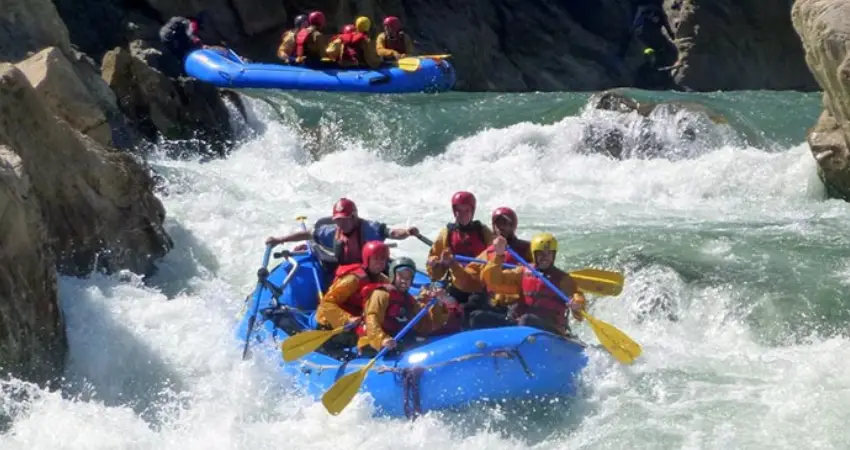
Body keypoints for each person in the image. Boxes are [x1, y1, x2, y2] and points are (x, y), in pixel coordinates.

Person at [265, 198, 418, 277]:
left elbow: (392, 233)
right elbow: (308, 234)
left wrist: (407, 232)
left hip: (370, 271)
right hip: (347, 274)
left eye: (344, 219)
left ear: (354, 217)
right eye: (337, 220)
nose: (340, 223)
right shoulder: (332, 231)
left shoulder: (369, 228)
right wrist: (280, 239)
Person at [472, 233, 586, 336]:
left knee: (527, 320)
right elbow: (493, 280)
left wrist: (577, 305)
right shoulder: (522, 272)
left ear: (554, 255)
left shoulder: (563, 279)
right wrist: (499, 256)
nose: (544, 257)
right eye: (540, 253)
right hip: (520, 325)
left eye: (548, 253)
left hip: (551, 331)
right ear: (534, 254)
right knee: (477, 317)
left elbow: (579, 304)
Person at [425, 191, 493, 333]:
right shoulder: (446, 234)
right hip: (456, 285)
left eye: (466, 210)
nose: (462, 215)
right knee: (436, 306)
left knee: (471, 310)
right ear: (453, 211)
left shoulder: (483, 232)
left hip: (478, 285)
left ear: (472, 211)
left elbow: (494, 256)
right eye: (458, 210)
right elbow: (434, 271)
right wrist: (436, 264)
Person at [357, 257, 453, 355]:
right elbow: (372, 318)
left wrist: (439, 304)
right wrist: (382, 340)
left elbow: (426, 326)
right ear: (393, 276)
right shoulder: (381, 294)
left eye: (408, 278)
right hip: (374, 343)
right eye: (401, 276)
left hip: (397, 340)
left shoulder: (409, 300)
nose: (404, 281)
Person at [315, 241, 391, 349]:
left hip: (357, 321)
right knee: (363, 338)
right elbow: (326, 303)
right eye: (376, 259)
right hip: (331, 323)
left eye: (383, 259)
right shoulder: (353, 279)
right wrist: (347, 319)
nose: (379, 263)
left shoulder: (384, 280)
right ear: (367, 259)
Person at [462, 207, 533, 316]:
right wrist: (453, 266)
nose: (501, 227)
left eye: (505, 223)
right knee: (468, 307)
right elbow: (469, 274)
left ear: (513, 226)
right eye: (498, 224)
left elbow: (540, 271)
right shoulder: (489, 252)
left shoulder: (526, 248)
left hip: (516, 300)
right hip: (494, 301)